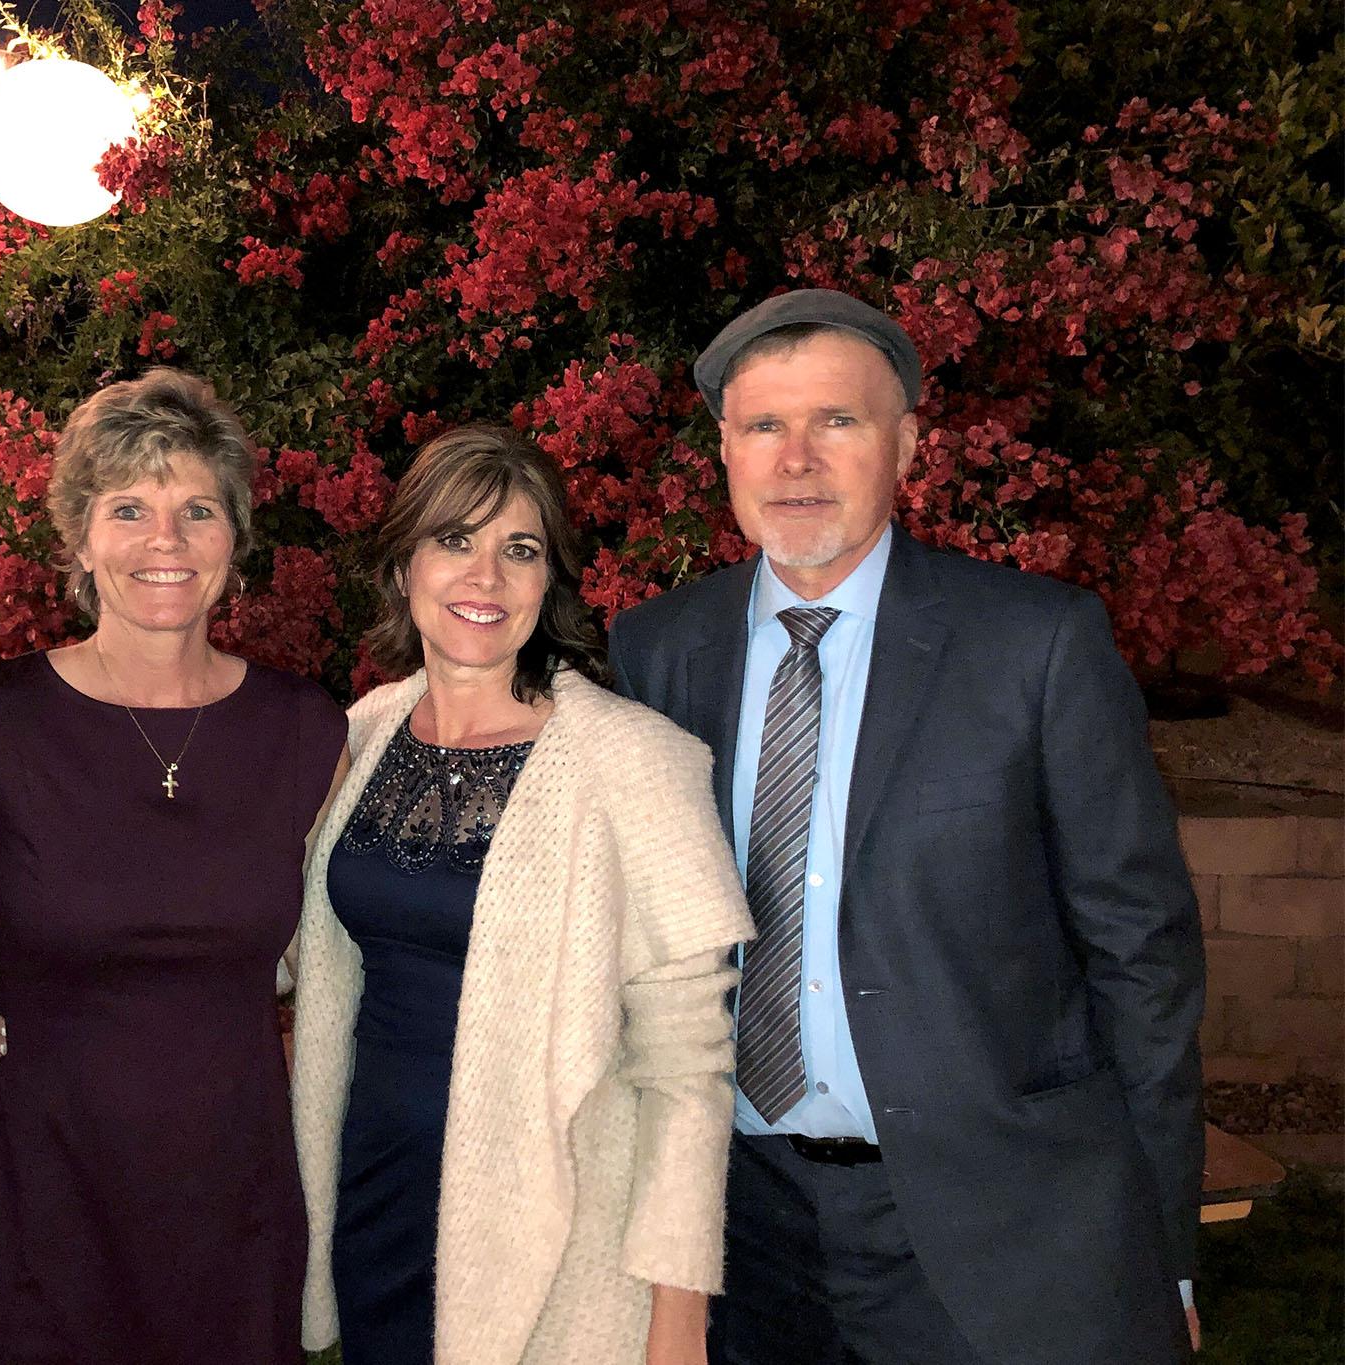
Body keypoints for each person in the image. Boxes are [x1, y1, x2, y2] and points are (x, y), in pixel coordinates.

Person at [608, 289, 1206, 1365]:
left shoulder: (1035, 645)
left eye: (835, 421)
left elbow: (1141, 956)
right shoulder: (656, 651)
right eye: (762, 427)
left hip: (992, 1225)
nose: (795, 460)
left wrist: (1161, 1244)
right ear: (723, 453)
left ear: (905, 444)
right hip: (741, 1228)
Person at [290, 425, 755, 1365]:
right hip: (376, 1198)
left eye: (521, 548)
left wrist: (678, 1321)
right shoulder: (362, 733)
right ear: (404, 563)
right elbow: (250, 929)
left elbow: (688, 1071)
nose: (486, 576)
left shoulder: (635, 759)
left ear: (552, 582)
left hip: (560, 1234)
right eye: (455, 539)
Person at [0, 367, 348, 1365]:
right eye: (129, 509)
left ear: (234, 540)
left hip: (233, 1201)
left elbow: (342, 955)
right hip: (40, 1198)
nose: (166, 541)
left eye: (196, 508)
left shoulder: (304, 731)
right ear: (79, 538)